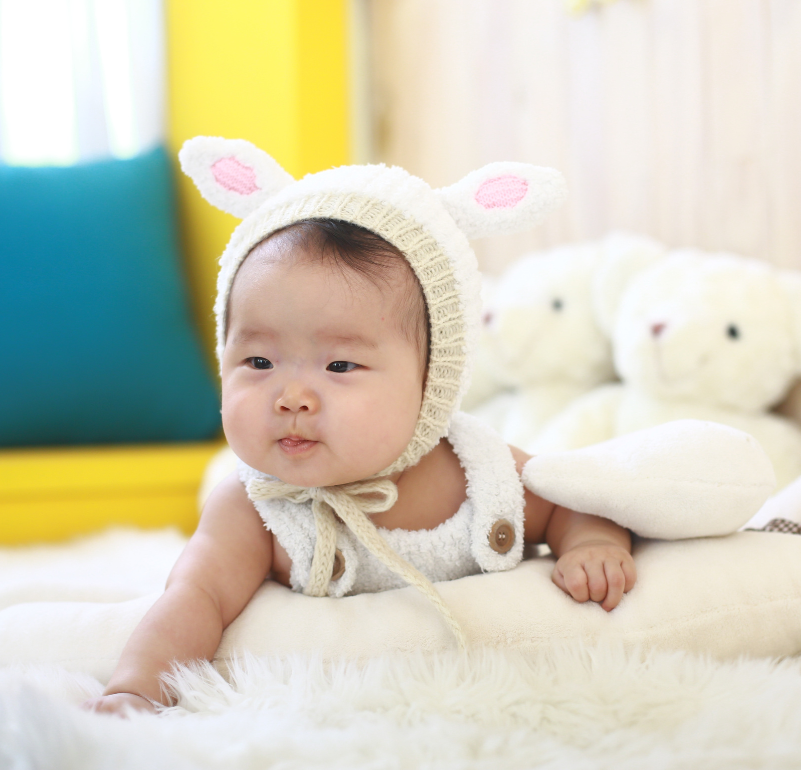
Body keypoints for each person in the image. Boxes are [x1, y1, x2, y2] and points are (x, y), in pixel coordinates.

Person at [83, 140, 635, 716]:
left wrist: (593, 543)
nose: (291, 397)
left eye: (340, 365)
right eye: (259, 362)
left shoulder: (480, 471)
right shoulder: (256, 509)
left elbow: (572, 500)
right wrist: (137, 687)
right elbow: (194, 597)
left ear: (432, 380)